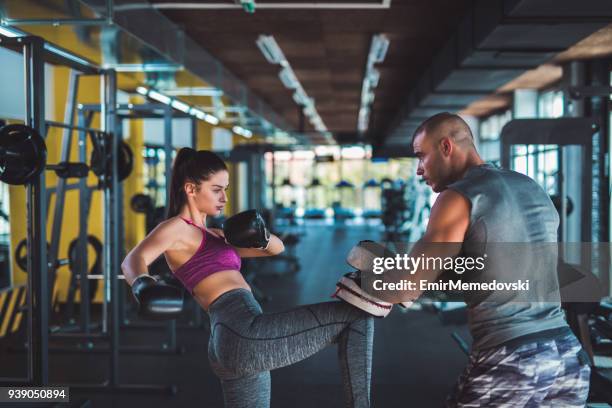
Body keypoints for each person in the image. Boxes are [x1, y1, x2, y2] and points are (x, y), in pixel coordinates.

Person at [341, 112, 591, 406]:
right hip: (567, 356)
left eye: (421, 157)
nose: (419, 170)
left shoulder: (456, 197)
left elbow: (405, 288)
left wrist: (372, 265)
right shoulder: (531, 187)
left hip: (511, 360)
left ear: (446, 147)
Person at [121, 148, 374, 408]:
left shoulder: (216, 234)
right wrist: (143, 284)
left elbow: (277, 249)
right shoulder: (177, 228)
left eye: (226, 189)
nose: (224, 197)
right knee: (355, 316)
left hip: (231, 336)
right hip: (241, 330)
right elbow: (133, 260)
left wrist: (261, 236)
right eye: (217, 189)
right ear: (191, 189)